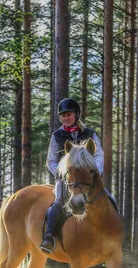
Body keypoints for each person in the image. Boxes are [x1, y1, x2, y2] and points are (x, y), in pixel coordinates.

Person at [39, 98, 104, 254]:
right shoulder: (57, 136)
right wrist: (64, 174)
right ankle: (49, 237)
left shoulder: (89, 134)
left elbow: (99, 156)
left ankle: (112, 235)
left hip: (88, 179)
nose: (65, 118)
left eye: (68, 115)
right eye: (63, 116)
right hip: (66, 180)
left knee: (107, 198)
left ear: (76, 115)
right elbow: (51, 161)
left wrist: (96, 172)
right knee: (59, 200)